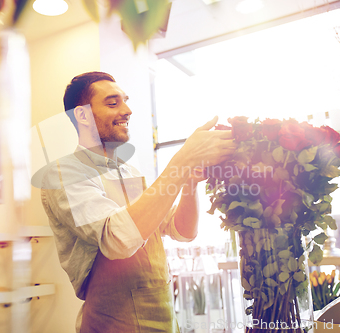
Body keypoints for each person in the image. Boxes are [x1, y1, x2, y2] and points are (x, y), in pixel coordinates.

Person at [40, 71, 235, 332]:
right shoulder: (63, 174)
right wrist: (182, 159)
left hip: (164, 318)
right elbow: (117, 239)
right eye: (113, 103)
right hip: (113, 323)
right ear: (82, 115)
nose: (127, 110)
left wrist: (188, 181)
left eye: (125, 100)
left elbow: (182, 231)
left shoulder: (129, 172)